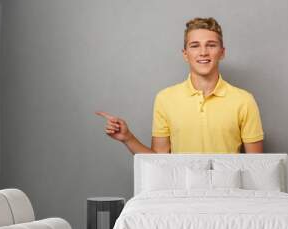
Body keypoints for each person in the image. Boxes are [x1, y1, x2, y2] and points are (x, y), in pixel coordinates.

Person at [96, 17, 264, 154]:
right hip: (181, 194)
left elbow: (257, 167)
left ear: (222, 52)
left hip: (227, 194)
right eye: (195, 46)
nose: (203, 52)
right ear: (185, 54)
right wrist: (128, 138)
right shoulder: (165, 99)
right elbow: (159, 162)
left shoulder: (244, 100)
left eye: (211, 45)